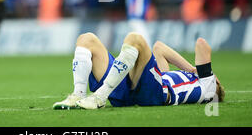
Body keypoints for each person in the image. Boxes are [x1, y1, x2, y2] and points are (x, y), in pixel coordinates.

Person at [53, 32, 224, 109]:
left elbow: (201, 44)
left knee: (135, 39)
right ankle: (78, 94)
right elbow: (159, 48)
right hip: (145, 88)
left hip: (156, 95)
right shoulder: (180, 78)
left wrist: (205, 72)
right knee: (86, 39)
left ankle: (99, 97)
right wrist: (191, 69)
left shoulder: (208, 90)